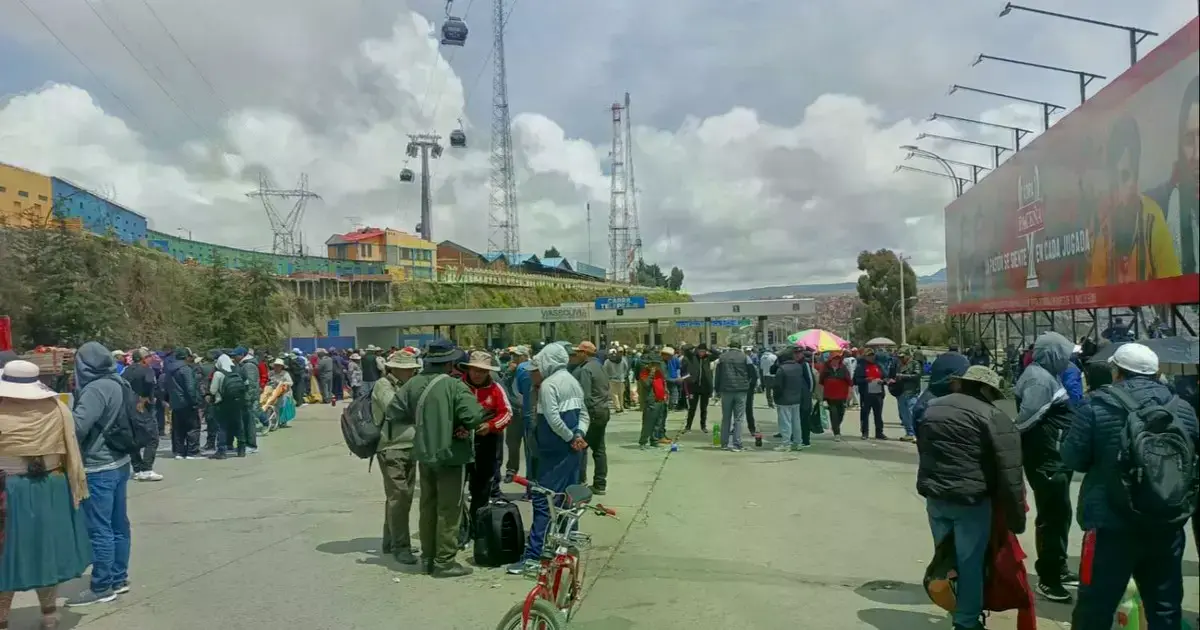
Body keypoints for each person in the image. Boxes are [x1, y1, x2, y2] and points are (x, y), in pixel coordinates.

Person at [1061, 343, 1200, 629]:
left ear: (1117, 373)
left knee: (1095, 608)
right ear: (1155, 373)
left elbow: (1073, 458)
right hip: (1166, 523)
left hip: (1109, 525)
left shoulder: (1096, 405)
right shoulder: (1182, 408)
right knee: (1165, 609)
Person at [917, 366, 1026, 630]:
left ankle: (953, 604)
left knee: (945, 558)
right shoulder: (992, 415)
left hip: (935, 496)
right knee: (969, 563)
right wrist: (1016, 517)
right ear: (985, 389)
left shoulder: (932, 408)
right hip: (971, 501)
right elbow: (1010, 471)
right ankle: (966, 621)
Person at [0, 360, 93, 628]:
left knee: (6, 555)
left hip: (9, 489)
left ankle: (3, 616)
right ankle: (49, 615)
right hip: (50, 485)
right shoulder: (57, 409)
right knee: (47, 549)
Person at [388, 340, 482, 578]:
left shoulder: (412, 384)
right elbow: (472, 417)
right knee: (449, 510)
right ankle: (444, 561)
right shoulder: (455, 386)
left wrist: (427, 422)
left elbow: (394, 412)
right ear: (450, 363)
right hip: (452, 455)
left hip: (424, 453)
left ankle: (428, 557)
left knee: (427, 506)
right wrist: (455, 424)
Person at [507, 343, 590, 575]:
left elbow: (552, 418)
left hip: (554, 452)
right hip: (573, 451)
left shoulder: (549, 385)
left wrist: (569, 437)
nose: (536, 370)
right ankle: (565, 548)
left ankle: (535, 557)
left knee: (544, 501)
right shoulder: (573, 381)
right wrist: (579, 435)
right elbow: (584, 413)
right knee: (568, 499)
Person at [67, 342, 134, 607]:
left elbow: (78, 426)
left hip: (98, 464)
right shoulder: (118, 381)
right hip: (120, 461)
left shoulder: (95, 389)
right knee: (119, 524)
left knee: (99, 528)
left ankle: (102, 585)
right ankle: (118, 577)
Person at [1013, 331, 1077, 603]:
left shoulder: (1045, 375)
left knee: (1060, 514)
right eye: (1065, 355)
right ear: (1053, 355)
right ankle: (1048, 578)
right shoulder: (1039, 380)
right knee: (1052, 516)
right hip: (1046, 459)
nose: (1069, 360)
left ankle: (1058, 567)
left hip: (1055, 457)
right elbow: (1026, 420)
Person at [372, 349, 421, 563]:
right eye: (407, 369)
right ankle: (401, 546)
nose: (411, 372)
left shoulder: (405, 385)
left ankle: (390, 540)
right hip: (391, 447)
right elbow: (394, 408)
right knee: (399, 497)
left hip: (410, 446)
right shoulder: (383, 385)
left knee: (401, 497)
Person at [458, 351, 512, 540]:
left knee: (481, 488)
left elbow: (507, 413)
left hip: (487, 442)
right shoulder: (458, 386)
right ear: (469, 369)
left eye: (482, 371)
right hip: (460, 443)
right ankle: (458, 527)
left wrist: (490, 426)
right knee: (456, 487)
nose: (477, 374)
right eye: (474, 369)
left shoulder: (496, 388)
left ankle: (476, 526)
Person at [571, 341, 611, 494]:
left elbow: (585, 397)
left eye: (578, 352)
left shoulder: (586, 369)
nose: (576, 355)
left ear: (585, 353)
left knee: (582, 447)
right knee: (599, 449)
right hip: (603, 410)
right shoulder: (600, 366)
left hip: (592, 413)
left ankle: (581, 482)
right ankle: (600, 484)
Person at [121, 348, 163, 482]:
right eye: (149, 356)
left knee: (133, 439)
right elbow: (150, 383)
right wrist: (147, 397)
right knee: (152, 438)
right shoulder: (147, 370)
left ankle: (137, 468)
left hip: (127, 407)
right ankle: (147, 469)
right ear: (144, 359)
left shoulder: (126, 371)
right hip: (142, 407)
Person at [772, 346, 813, 451]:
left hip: (784, 399)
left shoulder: (782, 369)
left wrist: (776, 397)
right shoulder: (798, 367)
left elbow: (778, 386)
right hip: (796, 398)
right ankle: (798, 442)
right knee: (796, 422)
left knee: (785, 422)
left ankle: (786, 444)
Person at [163, 348, 201, 459]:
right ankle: (192, 452)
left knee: (178, 428)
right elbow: (190, 387)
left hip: (175, 402)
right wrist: (194, 401)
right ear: (186, 357)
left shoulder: (169, 370)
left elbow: (166, 386)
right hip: (187, 402)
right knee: (192, 427)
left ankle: (178, 452)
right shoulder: (186, 369)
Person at [714, 345, 751, 451]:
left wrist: (717, 390)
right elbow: (752, 372)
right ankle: (737, 443)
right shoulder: (745, 357)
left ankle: (724, 443)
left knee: (726, 418)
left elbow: (718, 375)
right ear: (739, 347)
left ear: (730, 347)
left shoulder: (722, 357)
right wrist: (748, 384)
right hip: (741, 391)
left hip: (726, 390)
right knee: (738, 418)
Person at [503, 346, 531, 481]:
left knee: (529, 444)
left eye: (517, 356)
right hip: (514, 411)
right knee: (512, 443)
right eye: (513, 356)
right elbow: (503, 386)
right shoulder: (511, 372)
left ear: (525, 357)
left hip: (528, 411)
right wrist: (509, 372)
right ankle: (511, 470)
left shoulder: (529, 370)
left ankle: (531, 474)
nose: (514, 359)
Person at [888, 348, 924, 443]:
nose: (901, 359)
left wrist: (902, 376)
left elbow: (917, 375)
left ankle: (916, 434)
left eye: (903, 357)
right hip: (901, 392)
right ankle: (909, 433)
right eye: (900, 357)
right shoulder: (899, 364)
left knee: (911, 412)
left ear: (908, 356)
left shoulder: (915, 363)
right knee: (904, 414)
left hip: (911, 392)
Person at [853, 348, 888, 440]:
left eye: (872, 355)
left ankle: (879, 432)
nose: (871, 357)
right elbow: (856, 380)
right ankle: (865, 432)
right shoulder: (861, 366)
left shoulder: (878, 365)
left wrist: (883, 381)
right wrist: (865, 380)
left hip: (878, 393)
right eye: (869, 355)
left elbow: (885, 377)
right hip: (866, 394)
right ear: (865, 356)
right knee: (865, 414)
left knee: (878, 414)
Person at [637, 353, 670, 448]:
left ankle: (654, 440)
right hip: (651, 401)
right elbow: (646, 385)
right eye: (656, 364)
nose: (659, 366)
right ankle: (643, 441)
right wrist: (651, 374)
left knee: (658, 423)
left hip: (660, 400)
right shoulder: (644, 373)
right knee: (648, 423)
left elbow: (663, 383)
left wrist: (665, 393)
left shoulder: (659, 373)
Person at [819, 351, 854, 440]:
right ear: (830, 360)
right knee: (833, 413)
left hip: (842, 396)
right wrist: (821, 396)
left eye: (838, 359)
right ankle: (836, 433)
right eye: (834, 359)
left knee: (841, 413)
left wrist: (850, 394)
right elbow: (821, 382)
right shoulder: (826, 369)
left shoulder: (843, 368)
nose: (836, 361)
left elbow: (849, 382)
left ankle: (836, 426)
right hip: (830, 396)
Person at [683, 344, 714, 432]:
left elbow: (718, 354)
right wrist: (694, 347)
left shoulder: (708, 358)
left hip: (705, 387)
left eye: (703, 351)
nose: (701, 353)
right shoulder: (692, 357)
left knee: (703, 408)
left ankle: (703, 426)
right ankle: (688, 426)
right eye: (700, 351)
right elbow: (685, 349)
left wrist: (710, 348)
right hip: (694, 387)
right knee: (692, 408)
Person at [603, 348, 627, 413]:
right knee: (621, 394)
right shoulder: (622, 359)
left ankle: (617, 408)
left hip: (612, 379)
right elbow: (626, 367)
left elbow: (604, 370)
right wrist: (623, 375)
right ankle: (621, 407)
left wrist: (607, 377)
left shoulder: (607, 361)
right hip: (621, 379)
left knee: (614, 394)